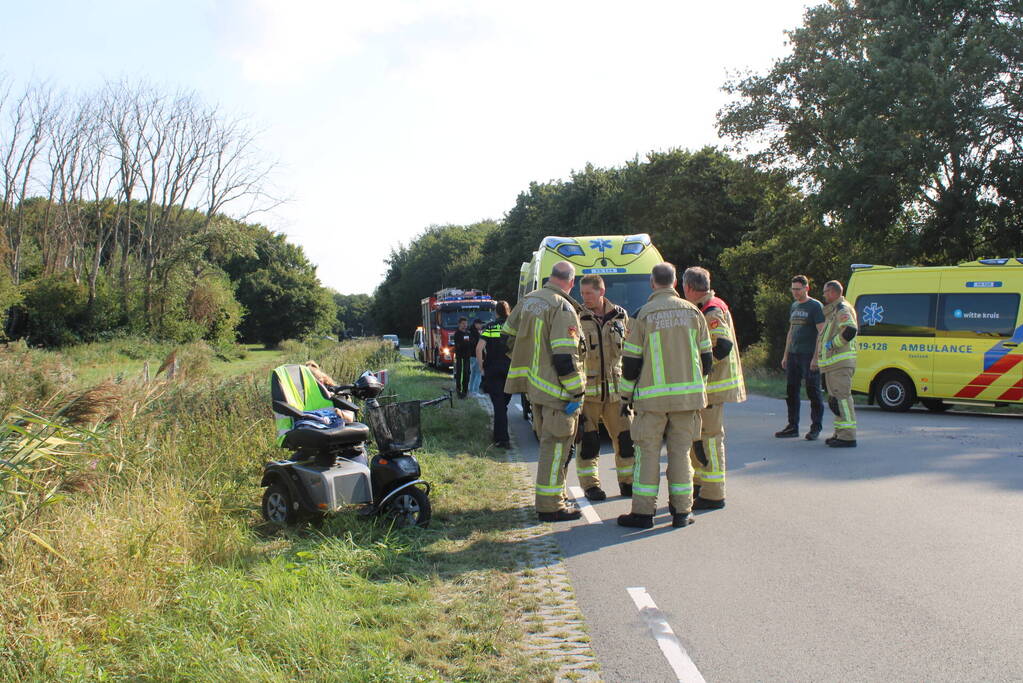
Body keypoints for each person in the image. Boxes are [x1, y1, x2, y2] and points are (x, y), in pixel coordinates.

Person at [618, 263, 712, 530]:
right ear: (675, 283)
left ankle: (643, 513)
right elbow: (707, 359)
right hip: (687, 400)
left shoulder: (642, 315)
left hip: (652, 401)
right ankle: (682, 512)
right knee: (681, 454)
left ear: (652, 283)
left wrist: (625, 397)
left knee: (647, 455)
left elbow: (631, 363)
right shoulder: (694, 312)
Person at [504, 261, 587, 522]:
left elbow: (506, 338)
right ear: (571, 282)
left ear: (551, 276)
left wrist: (529, 365)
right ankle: (551, 507)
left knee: (549, 447)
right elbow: (564, 357)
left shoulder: (528, 301)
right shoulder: (562, 307)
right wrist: (577, 391)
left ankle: (554, 499)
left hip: (535, 389)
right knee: (556, 451)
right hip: (557, 393)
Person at [681, 267, 746, 510]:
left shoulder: (711, 309)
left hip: (713, 386)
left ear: (688, 287)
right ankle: (701, 484)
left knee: (709, 439)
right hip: (709, 387)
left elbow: (722, 345)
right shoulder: (706, 306)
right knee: (700, 438)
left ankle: (713, 493)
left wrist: (701, 367)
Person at [575, 274, 634, 500]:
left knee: (626, 440)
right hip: (588, 395)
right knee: (588, 443)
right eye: (582, 293)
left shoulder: (620, 315)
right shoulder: (578, 317)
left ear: (601, 291)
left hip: (617, 393)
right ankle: (591, 486)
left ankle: (628, 482)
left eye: (589, 293)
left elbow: (629, 350)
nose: (584, 298)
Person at [776, 275, 826, 440]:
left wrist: (816, 358)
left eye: (798, 289)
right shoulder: (794, 306)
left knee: (813, 391)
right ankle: (792, 426)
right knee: (791, 391)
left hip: (808, 354)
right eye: (793, 289)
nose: (795, 292)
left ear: (806, 288)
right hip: (794, 354)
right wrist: (786, 354)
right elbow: (791, 331)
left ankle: (815, 428)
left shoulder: (815, 306)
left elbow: (821, 333)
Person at [812, 280, 859, 447]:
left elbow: (850, 330)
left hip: (840, 364)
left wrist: (832, 344)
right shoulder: (834, 311)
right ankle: (840, 433)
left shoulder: (842, 308)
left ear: (832, 292)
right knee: (836, 401)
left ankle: (848, 436)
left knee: (842, 400)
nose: (824, 295)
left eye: (825, 292)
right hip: (833, 365)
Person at [477, 301, 513, 448]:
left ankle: (502, 439)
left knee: (499, 406)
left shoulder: (490, 327)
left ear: (496, 312)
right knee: (502, 405)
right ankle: (500, 436)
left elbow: (479, 349)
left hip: (492, 370)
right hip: (510, 371)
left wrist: (481, 368)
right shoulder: (513, 327)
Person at [451, 317, 473, 398]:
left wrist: (468, 343)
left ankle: (465, 391)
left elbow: (472, 343)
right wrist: (465, 343)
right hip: (460, 357)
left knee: (467, 373)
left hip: (467, 357)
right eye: (463, 324)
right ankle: (459, 390)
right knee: (460, 373)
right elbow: (459, 345)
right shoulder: (457, 334)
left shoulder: (468, 333)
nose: (465, 325)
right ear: (459, 324)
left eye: (466, 324)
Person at [468, 318, 485, 397]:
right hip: (476, 355)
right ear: (476, 324)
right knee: (478, 373)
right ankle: (475, 391)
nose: (481, 325)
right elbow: (477, 345)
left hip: (472, 355)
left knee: (473, 374)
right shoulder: (474, 333)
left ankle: (471, 391)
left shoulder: (470, 331)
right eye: (480, 324)